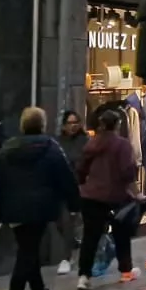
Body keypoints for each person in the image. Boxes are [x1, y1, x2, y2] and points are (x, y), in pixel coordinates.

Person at [0, 107, 80, 290]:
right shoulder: (51, 148)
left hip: (13, 209)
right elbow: (66, 177)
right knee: (28, 251)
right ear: (43, 125)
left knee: (28, 247)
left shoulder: (7, 149)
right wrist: (74, 204)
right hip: (40, 208)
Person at [75, 110, 141, 290]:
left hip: (90, 197)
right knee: (121, 234)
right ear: (118, 125)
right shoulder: (122, 145)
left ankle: (83, 276)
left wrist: (84, 185)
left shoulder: (91, 144)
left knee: (90, 237)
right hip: (115, 197)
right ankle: (126, 271)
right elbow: (127, 172)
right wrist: (136, 193)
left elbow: (81, 169)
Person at [54, 110, 88, 276]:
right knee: (60, 222)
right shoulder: (57, 142)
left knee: (69, 221)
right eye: (70, 123)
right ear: (63, 126)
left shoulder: (85, 141)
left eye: (76, 123)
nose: (73, 126)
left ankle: (66, 258)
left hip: (79, 187)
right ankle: (73, 243)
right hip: (60, 187)